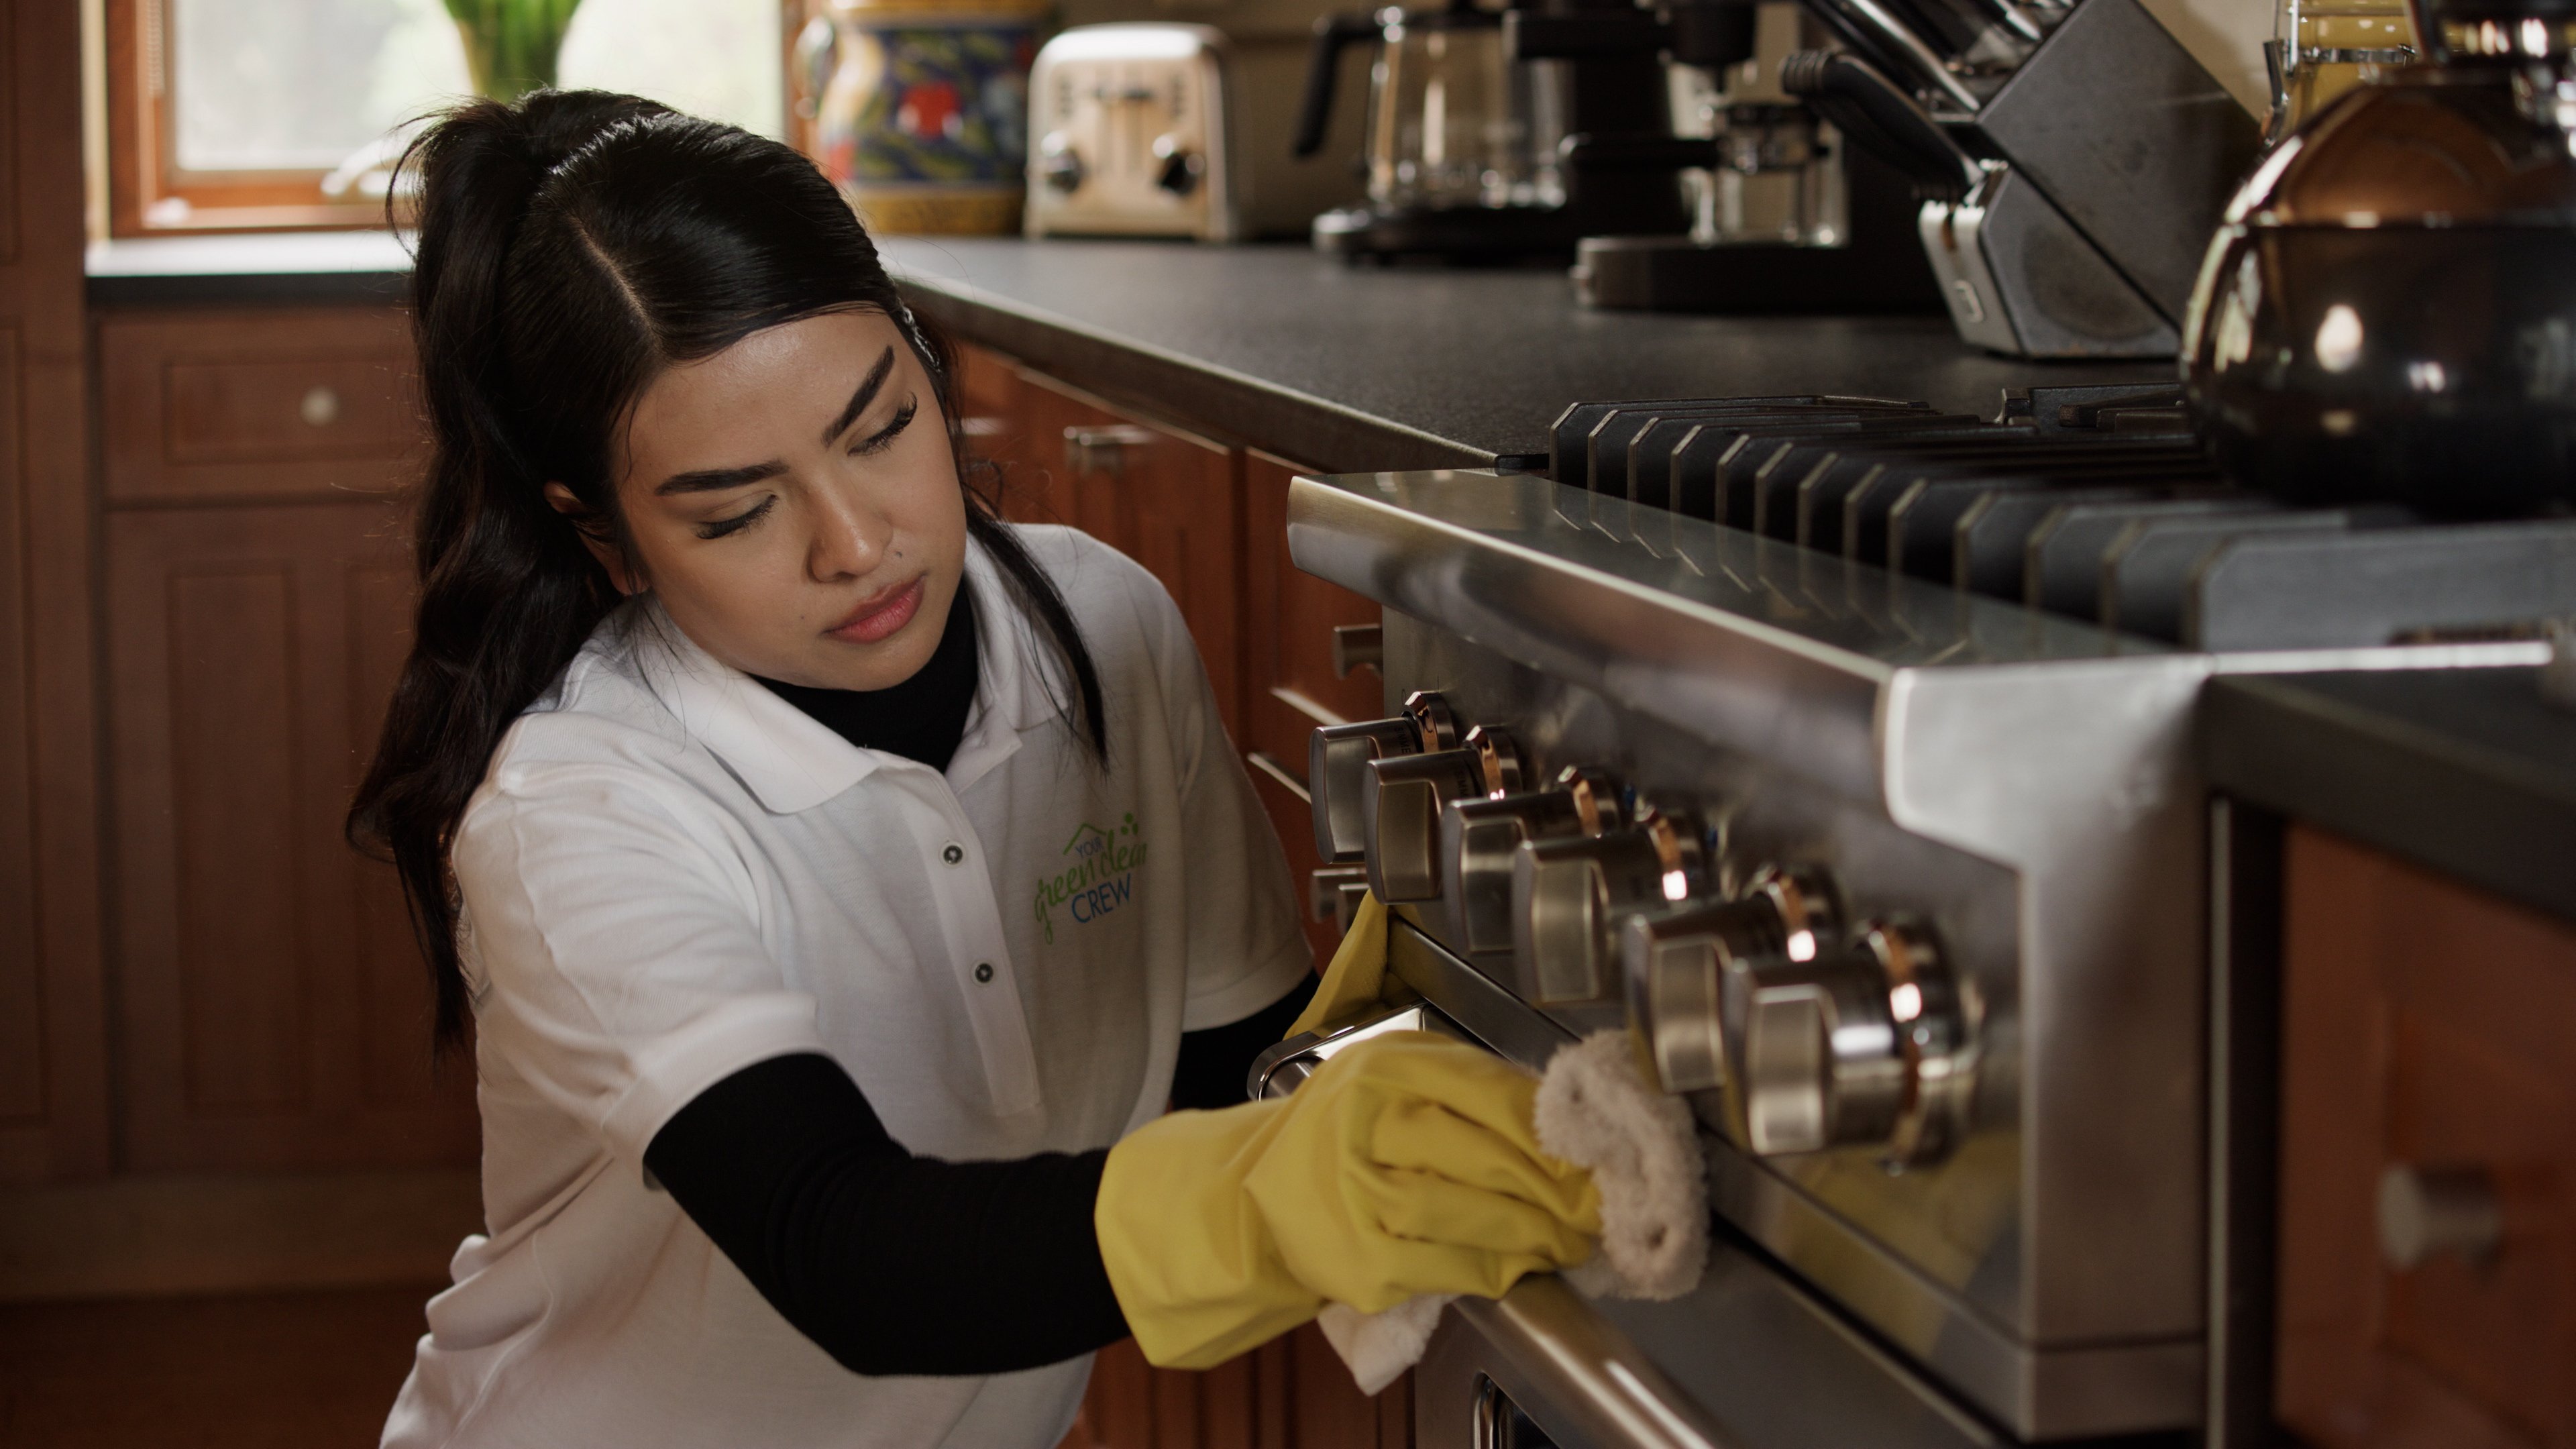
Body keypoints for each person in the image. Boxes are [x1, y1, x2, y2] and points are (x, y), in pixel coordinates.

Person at [351, 91, 1601, 1449]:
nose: (855, 544)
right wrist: (1270, 1196)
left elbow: (1234, 1069)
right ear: (607, 540)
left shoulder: (1101, 630)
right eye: (741, 510)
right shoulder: (584, 812)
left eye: (881, 430)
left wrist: (1394, 1059)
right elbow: (849, 1251)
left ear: (926, 366)